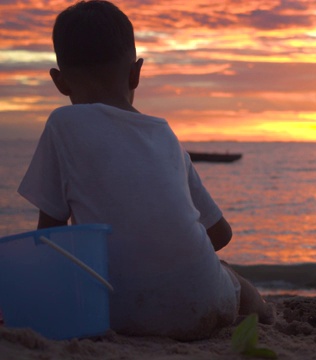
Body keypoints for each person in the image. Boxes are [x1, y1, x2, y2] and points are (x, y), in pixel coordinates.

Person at [18, 0, 273, 341]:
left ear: (59, 82)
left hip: (116, 314)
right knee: (232, 280)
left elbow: (49, 241)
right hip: (206, 304)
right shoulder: (165, 135)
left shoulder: (62, 124)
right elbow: (221, 235)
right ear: (136, 72)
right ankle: (268, 314)